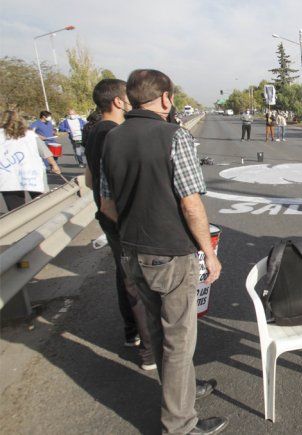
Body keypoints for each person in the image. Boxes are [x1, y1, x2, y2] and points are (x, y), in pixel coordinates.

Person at [100, 69, 227, 435]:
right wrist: (209, 252)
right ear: (166, 98)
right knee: (179, 341)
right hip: (171, 255)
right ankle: (180, 424)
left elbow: (107, 204)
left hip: (131, 252)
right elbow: (191, 204)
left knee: (156, 333)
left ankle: (181, 395)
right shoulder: (175, 136)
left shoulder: (113, 138)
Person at [84, 79, 155, 371]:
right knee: (137, 282)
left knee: (124, 274)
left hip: (109, 217)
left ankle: (132, 332)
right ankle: (151, 352)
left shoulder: (92, 131)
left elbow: (89, 179)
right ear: (117, 101)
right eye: (128, 97)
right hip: (120, 219)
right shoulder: (113, 134)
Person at [1, 110, 53, 211]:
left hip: (7, 175)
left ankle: (21, 222)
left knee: (16, 209)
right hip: (31, 173)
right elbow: (44, 151)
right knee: (41, 202)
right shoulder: (30, 134)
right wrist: (54, 165)